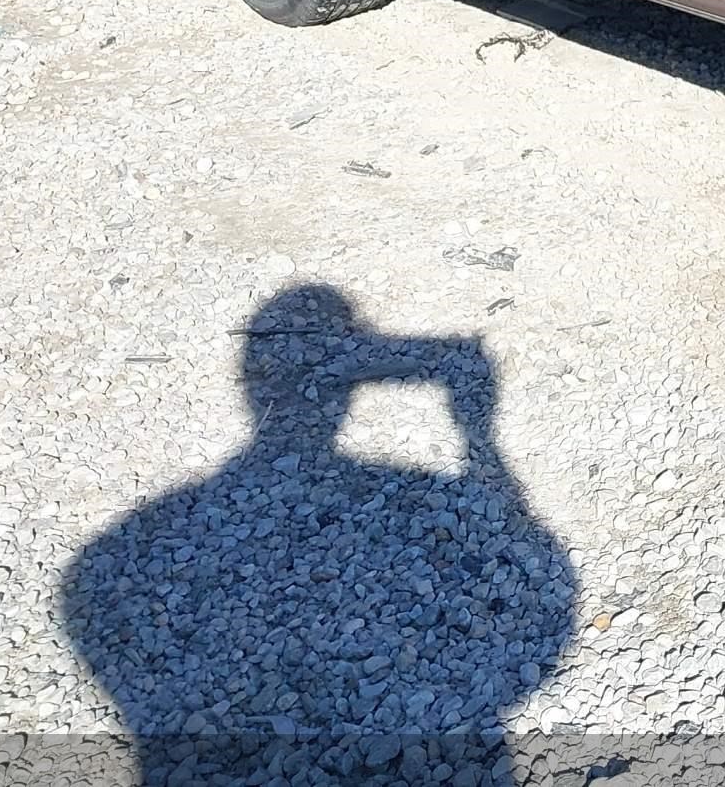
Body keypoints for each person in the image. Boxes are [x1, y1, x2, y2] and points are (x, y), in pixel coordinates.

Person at [63, 286, 575, 786]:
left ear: (249, 383)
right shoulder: (108, 558)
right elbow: (546, 611)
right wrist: (480, 441)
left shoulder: (107, 556)